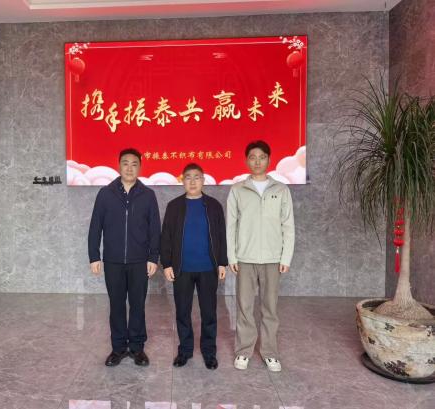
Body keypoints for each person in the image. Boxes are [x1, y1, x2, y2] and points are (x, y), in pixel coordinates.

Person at [88, 148, 161, 367]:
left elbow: (154, 229)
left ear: (140, 167)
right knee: (117, 305)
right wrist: (94, 256)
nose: (129, 168)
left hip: (139, 261)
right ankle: (118, 348)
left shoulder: (148, 195)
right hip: (113, 261)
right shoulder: (105, 194)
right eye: (125, 163)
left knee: (138, 305)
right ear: (119, 166)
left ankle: (137, 348)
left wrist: (153, 257)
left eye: (134, 164)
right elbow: (95, 226)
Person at [226, 140, 295, 372]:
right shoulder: (237, 190)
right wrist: (232, 256)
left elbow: (288, 226)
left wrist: (285, 258)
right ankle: (244, 351)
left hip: (273, 258)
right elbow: (230, 226)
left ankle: (270, 353)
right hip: (245, 258)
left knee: (270, 307)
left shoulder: (281, 190)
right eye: (253, 157)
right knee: (244, 306)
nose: (257, 161)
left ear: (269, 160)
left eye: (262, 157)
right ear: (246, 160)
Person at [161, 163, 227, 370]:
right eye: (188, 177)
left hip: (208, 268)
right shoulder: (174, 206)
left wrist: (222, 262)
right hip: (182, 269)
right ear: (182, 180)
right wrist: (167, 264)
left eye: (196, 177)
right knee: (183, 311)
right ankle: (185, 350)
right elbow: (166, 236)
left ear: (203, 180)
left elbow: (221, 236)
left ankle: (209, 352)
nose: (192, 181)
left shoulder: (214, 205)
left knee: (209, 312)